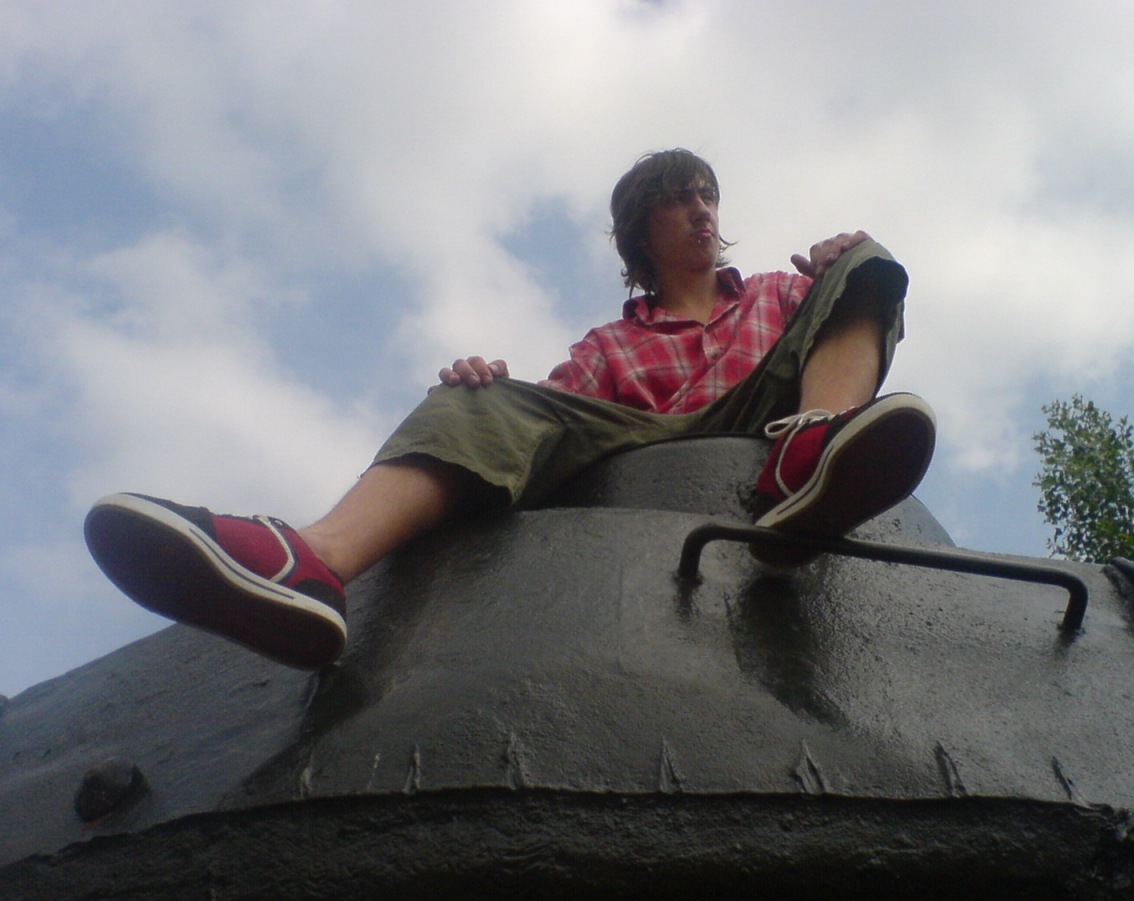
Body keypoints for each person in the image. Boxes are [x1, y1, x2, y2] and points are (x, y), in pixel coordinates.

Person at [84, 149, 936, 671]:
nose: (701, 211)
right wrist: (489, 390)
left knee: (866, 259)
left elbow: (844, 309)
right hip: (641, 434)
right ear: (641, 233)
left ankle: (812, 457)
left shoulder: (782, 292)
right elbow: (556, 418)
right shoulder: (609, 344)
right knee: (476, 401)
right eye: (678, 199)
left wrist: (840, 260)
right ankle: (311, 563)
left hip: (770, 413)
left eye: (707, 195)